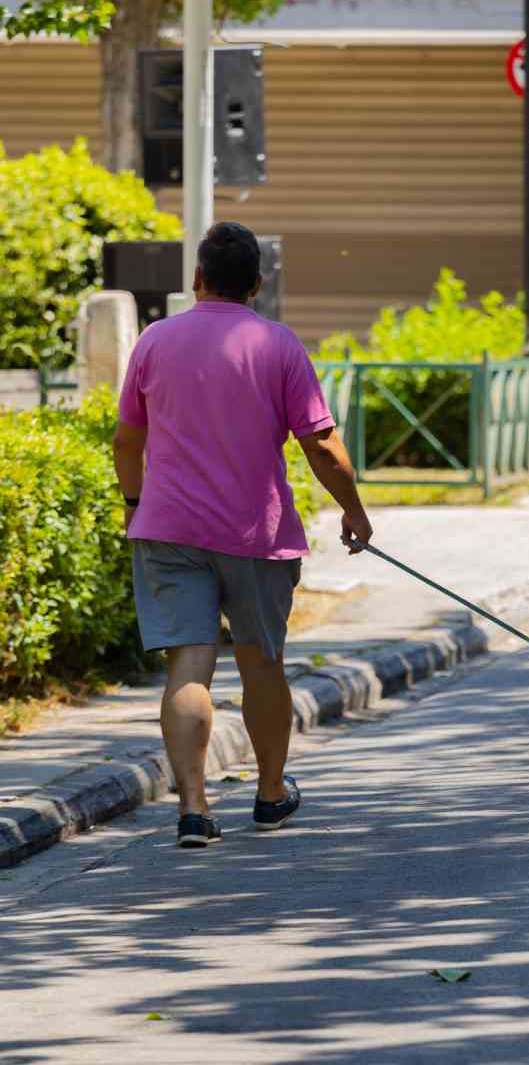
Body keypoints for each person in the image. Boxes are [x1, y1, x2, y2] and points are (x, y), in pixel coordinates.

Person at [112, 221, 373, 848]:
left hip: (169, 528)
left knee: (189, 667)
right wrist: (354, 512)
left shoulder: (154, 341)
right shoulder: (277, 344)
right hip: (255, 531)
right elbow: (321, 445)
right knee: (262, 664)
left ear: (197, 279)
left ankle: (195, 812)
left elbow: (127, 438)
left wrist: (133, 503)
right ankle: (270, 793)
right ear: (256, 285)